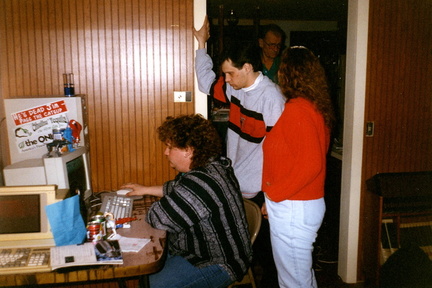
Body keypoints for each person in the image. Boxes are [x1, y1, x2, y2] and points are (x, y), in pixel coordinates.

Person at [194, 16, 285, 288]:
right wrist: (201, 43)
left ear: (247, 67)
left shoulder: (272, 97)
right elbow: (205, 83)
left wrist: (274, 196)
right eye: (226, 74)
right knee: (241, 248)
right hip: (237, 182)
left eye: (231, 73)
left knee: (267, 255)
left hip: (260, 189)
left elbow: (281, 152)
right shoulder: (237, 88)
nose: (227, 80)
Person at [121, 114, 252, 288]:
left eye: (169, 147)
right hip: (209, 251)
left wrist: (146, 208)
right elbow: (175, 188)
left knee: (150, 284)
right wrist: (145, 190)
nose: (165, 153)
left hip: (219, 262)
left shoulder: (199, 184)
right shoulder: (213, 166)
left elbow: (158, 218)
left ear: (188, 150)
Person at [262, 46, 335, 288]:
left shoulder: (298, 109)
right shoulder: (314, 107)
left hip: (294, 206)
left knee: (293, 281)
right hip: (300, 204)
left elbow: (311, 164)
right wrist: (272, 198)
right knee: (300, 278)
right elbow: (297, 159)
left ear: (287, 74)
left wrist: (275, 194)